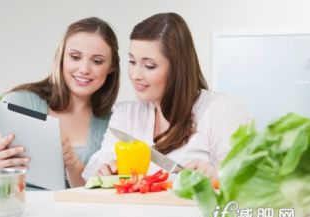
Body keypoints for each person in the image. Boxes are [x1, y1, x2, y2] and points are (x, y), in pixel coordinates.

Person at [82, 13, 251, 180]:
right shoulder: (126, 114)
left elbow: (247, 174)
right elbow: (99, 160)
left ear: (177, 68)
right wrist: (105, 168)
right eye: (132, 62)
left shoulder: (219, 108)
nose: (135, 75)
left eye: (149, 65)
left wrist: (216, 175)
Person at [0, 17, 120, 188]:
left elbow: (98, 196)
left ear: (111, 68)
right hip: (18, 212)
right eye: (75, 57)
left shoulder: (111, 125)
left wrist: (72, 163)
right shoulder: (17, 103)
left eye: (97, 61)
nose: (84, 69)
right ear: (62, 58)